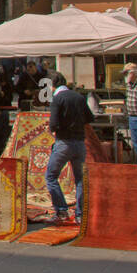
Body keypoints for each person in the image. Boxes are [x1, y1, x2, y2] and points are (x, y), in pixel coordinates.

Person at [45, 72, 93, 224]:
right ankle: (80, 214)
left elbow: (53, 124)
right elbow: (89, 117)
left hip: (64, 142)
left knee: (51, 176)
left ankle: (61, 210)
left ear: (53, 85)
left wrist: (57, 129)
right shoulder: (78, 97)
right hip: (79, 143)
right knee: (79, 178)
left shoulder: (57, 98)